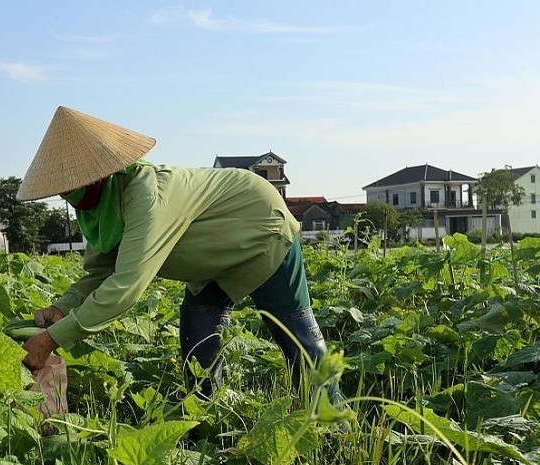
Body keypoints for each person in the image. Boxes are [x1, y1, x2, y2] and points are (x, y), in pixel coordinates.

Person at [19, 106, 345, 405]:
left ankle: (332, 420)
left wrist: (53, 339)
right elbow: (99, 271)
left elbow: (126, 285)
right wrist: (62, 308)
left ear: (98, 174)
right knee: (198, 334)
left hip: (260, 227)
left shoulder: (147, 196)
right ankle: (203, 415)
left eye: (71, 185)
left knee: (294, 334)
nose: (67, 194)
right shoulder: (99, 207)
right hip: (208, 258)